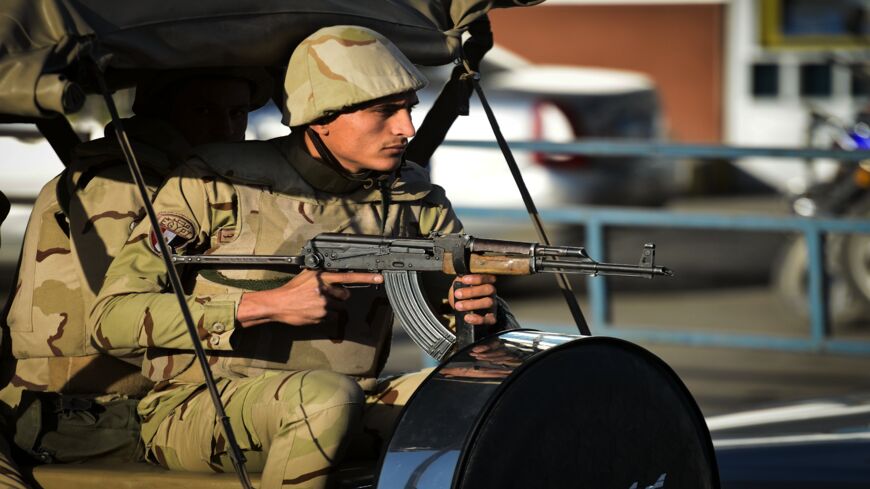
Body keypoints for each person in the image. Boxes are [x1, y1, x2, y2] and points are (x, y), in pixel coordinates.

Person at [90, 25, 512, 489]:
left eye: (409, 110)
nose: (406, 129)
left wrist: (477, 313)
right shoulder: (217, 182)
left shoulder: (415, 198)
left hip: (356, 397)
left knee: (496, 397)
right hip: (196, 409)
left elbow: (475, 330)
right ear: (321, 115)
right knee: (327, 399)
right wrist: (263, 306)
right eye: (384, 112)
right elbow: (110, 318)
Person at [0, 67, 271, 486]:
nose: (226, 128)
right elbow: (117, 315)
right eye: (203, 110)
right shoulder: (125, 181)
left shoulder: (175, 178)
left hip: (113, 403)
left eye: (238, 113)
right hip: (84, 409)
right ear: (160, 112)